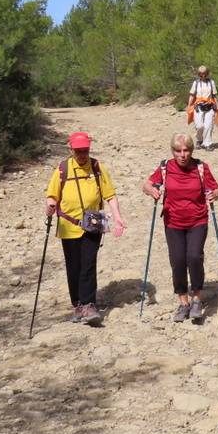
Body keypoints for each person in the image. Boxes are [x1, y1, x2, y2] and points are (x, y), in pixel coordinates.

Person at [45, 132, 127, 325]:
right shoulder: (62, 170)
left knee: (88, 264)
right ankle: (78, 305)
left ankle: (89, 304)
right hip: (68, 224)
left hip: (94, 221)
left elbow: (110, 195)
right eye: (78, 151)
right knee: (73, 266)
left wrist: (118, 217)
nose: (82, 154)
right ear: (71, 149)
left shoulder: (98, 168)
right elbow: (52, 196)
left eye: (85, 150)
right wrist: (49, 206)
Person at [141, 133, 218, 323]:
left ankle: (197, 299)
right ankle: (183, 302)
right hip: (172, 221)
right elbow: (146, 184)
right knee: (177, 260)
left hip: (198, 220)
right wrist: (152, 190)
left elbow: (217, 189)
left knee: (194, 257)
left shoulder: (201, 167)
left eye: (186, 150)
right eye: (178, 151)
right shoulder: (165, 167)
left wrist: (214, 195)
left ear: (191, 150)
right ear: (173, 151)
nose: (182, 155)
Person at [186, 65, 218, 151]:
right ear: (199, 74)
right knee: (199, 126)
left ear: (207, 73)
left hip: (210, 106)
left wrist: (217, 106)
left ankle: (207, 144)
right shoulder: (196, 83)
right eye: (201, 74)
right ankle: (199, 139)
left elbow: (214, 95)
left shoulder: (211, 82)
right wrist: (189, 105)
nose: (203, 76)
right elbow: (192, 95)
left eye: (205, 74)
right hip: (198, 106)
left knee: (208, 126)